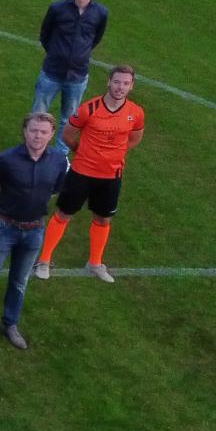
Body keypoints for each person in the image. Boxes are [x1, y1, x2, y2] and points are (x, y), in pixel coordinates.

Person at [0, 113, 70, 349]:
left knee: (20, 281)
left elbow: (55, 189)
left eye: (43, 132)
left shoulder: (59, 161)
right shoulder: (5, 160)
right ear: (25, 131)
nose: (38, 136)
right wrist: (5, 208)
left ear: (52, 134)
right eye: (34, 130)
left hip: (34, 230)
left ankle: (10, 324)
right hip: (4, 228)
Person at [39, 65, 145, 283]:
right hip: (82, 172)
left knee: (103, 219)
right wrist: (82, 152)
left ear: (131, 86)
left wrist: (115, 153)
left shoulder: (136, 113)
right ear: (109, 82)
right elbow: (67, 135)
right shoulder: (89, 108)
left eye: (126, 83)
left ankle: (95, 263)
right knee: (64, 214)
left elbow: (135, 138)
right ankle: (44, 260)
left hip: (111, 175)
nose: (120, 87)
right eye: (117, 82)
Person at [31, 0, 109, 124]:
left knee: (69, 119)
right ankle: (34, 140)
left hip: (77, 75)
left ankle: (61, 143)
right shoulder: (57, 8)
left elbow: (96, 38)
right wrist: (56, 53)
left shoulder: (101, 13)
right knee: (38, 114)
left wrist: (80, 55)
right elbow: (45, 35)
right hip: (51, 72)